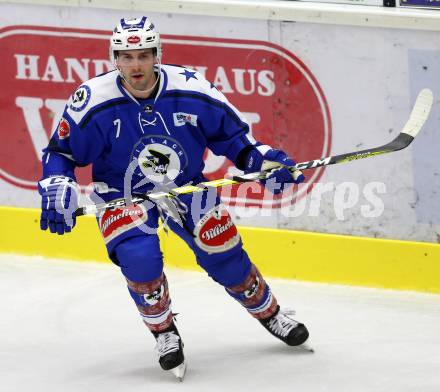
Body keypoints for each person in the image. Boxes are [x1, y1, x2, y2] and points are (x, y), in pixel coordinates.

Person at [38, 16, 310, 381]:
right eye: (126, 56)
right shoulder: (93, 100)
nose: (135, 64)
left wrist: (263, 161)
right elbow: (62, 153)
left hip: (186, 184)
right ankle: (164, 332)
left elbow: (235, 141)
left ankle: (270, 312)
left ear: (157, 55)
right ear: (114, 58)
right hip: (122, 192)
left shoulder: (193, 89)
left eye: (144, 55)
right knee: (140, 260)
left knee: (224, 251)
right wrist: (57, 183)